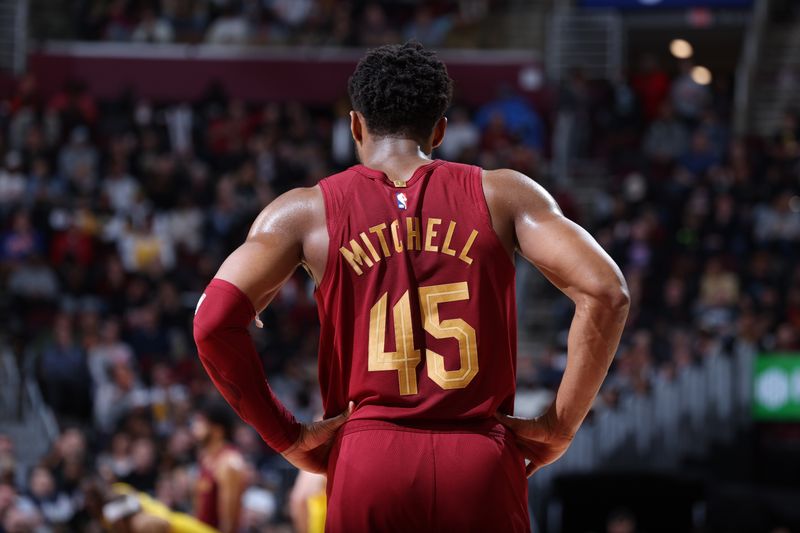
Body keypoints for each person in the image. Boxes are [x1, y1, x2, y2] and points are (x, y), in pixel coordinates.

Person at [194, 41, 629, 532]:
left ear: (355, 125)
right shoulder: (504, 193)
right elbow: (606, 291)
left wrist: (287, 437)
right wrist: (560, 425)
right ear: (439, 130)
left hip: (369, 458)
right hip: (479, 456)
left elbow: (212, 324)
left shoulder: (304, 211)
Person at [190, 402, 246, 533]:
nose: (195, 427)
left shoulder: (229, 463)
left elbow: (229, 522)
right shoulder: (205, 458)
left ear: (217, 430)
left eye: (201, 422)